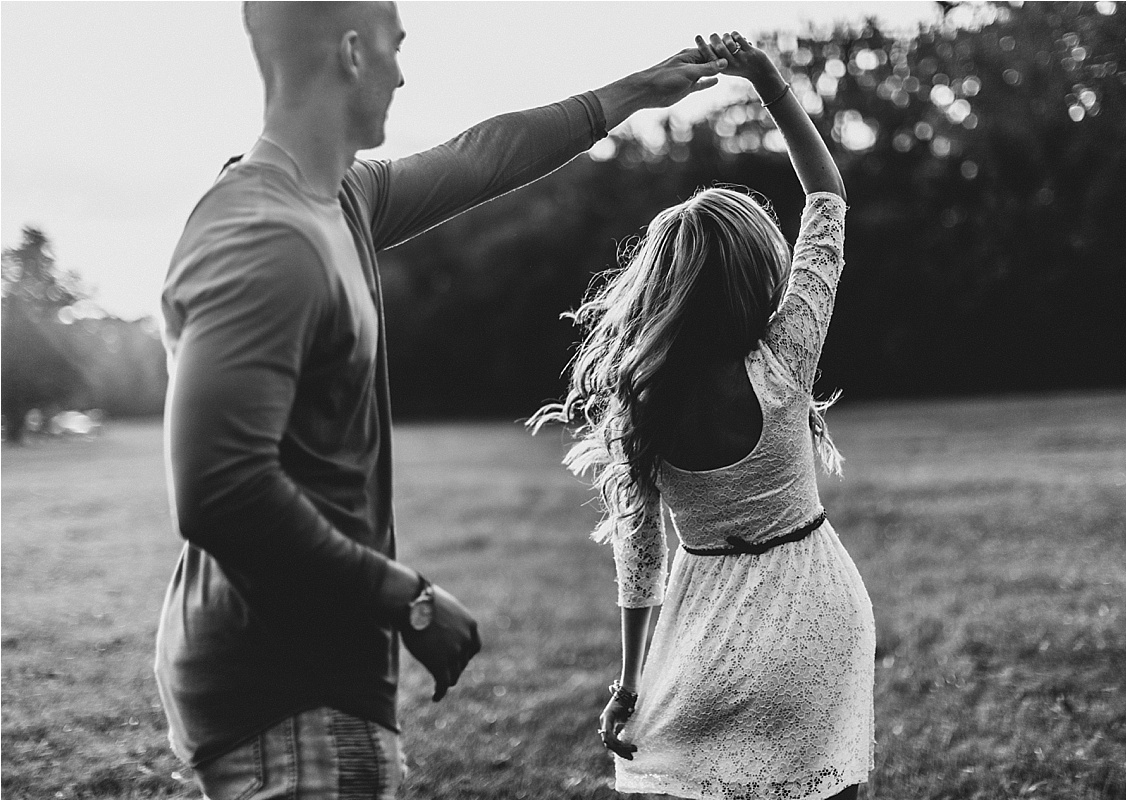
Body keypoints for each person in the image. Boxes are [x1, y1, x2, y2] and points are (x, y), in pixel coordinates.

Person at [154, 3, 728, 798]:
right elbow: (219, 491)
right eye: (396, 47)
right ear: (352, 52)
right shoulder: (264, 230)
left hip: (315, 692)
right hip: (285, 698)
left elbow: (483, 156)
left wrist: (634, 91)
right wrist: (408, 597)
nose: (401, 71)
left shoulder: (341, 201)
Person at [530, 31, 875, 801]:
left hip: (707, 630)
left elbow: (640, 558)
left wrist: (628, 681)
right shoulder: (784, 360)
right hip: (821, 615)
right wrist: (769, 82)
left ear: (659, 286)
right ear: (761, 273)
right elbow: (827, 201)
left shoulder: (642, 402)